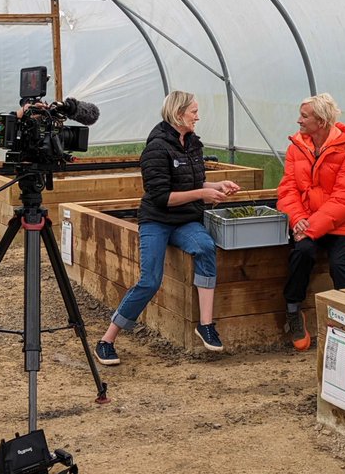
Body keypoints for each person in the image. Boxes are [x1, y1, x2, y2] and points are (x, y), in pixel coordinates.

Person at [95, 91, 240, 365]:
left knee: (206, 247)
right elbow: (163, 197)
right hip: (157, 220)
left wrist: (216, 186)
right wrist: (201, 195)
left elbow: (195, 183)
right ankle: (107, 340)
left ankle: (206, 325)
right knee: (150, 280)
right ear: (178, 114)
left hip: (185, 221)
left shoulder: (193, 143)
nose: (198, 116)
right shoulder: (156, 149)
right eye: (193, 111)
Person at [277, 93, 345, 351]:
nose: (299, 121)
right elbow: (288, 190)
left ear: (322, 121)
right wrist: (299, 219)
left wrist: (311, 227)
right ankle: (293, 311)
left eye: (304, 116)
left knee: (340, 265)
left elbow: (344, 200)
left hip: (344, 223)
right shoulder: (296, 148)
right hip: (307, 222)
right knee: (301, 253)